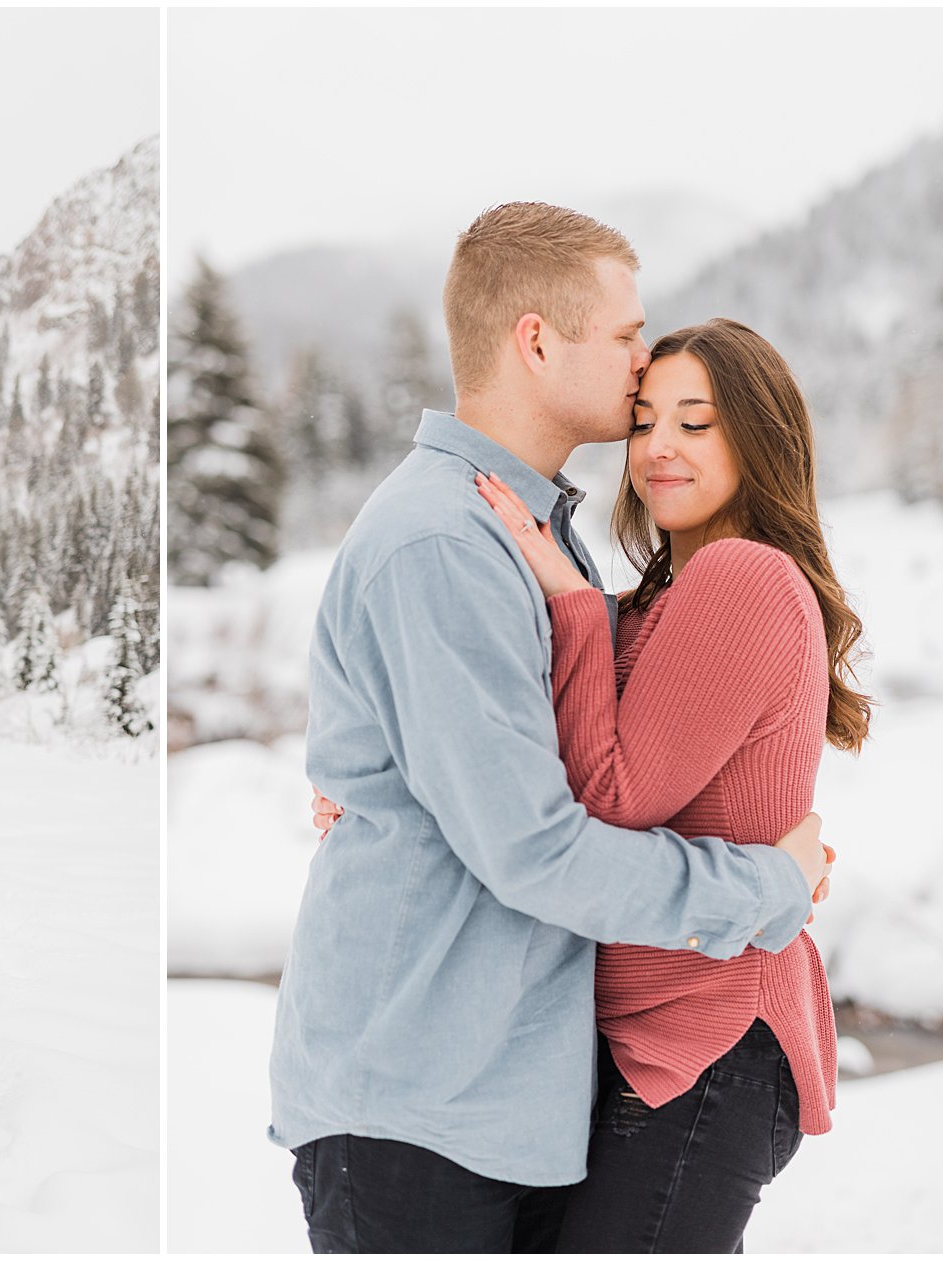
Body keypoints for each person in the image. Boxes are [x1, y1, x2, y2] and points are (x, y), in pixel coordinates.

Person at [268, 204, 833, 1253]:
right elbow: (537, 842)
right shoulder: (446, 538)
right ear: (537, 340)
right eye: (626, 338)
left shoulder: (524, 535)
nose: (637, 370)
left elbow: (565, 770)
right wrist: (766, 888)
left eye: (688, 416)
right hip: (415, 1099)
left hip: (499, 1099)